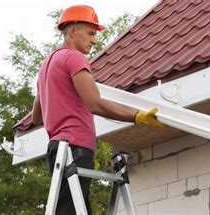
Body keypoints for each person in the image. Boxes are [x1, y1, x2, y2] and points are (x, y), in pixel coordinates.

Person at [30, 5, 163, 214]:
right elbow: (95, 103)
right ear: (73, 31)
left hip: (57, 149)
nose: (94, 40)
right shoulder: (73, 57)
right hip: (74, 147)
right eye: (90, 33)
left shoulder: (46, 65)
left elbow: (36, 117)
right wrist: (136, 116)